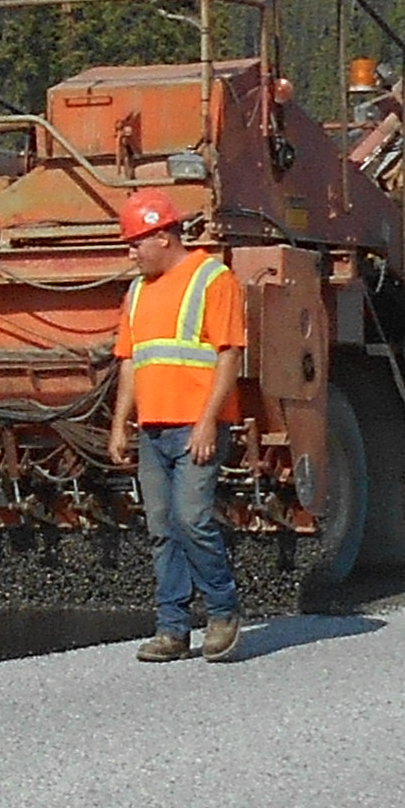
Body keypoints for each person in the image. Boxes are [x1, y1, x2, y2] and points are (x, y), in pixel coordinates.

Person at [108, 187, 245, 661]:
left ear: (164, 236)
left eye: (135, 243)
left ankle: (223, 612)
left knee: (193, 519)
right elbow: (130, 361)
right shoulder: (138, 290)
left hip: (195, 427)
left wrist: (209, 422)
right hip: (153, 429)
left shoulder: (212, 278)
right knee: (162, 526)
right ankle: (173, 629)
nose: (131, 253)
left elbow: (229, 355)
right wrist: (120, 423)